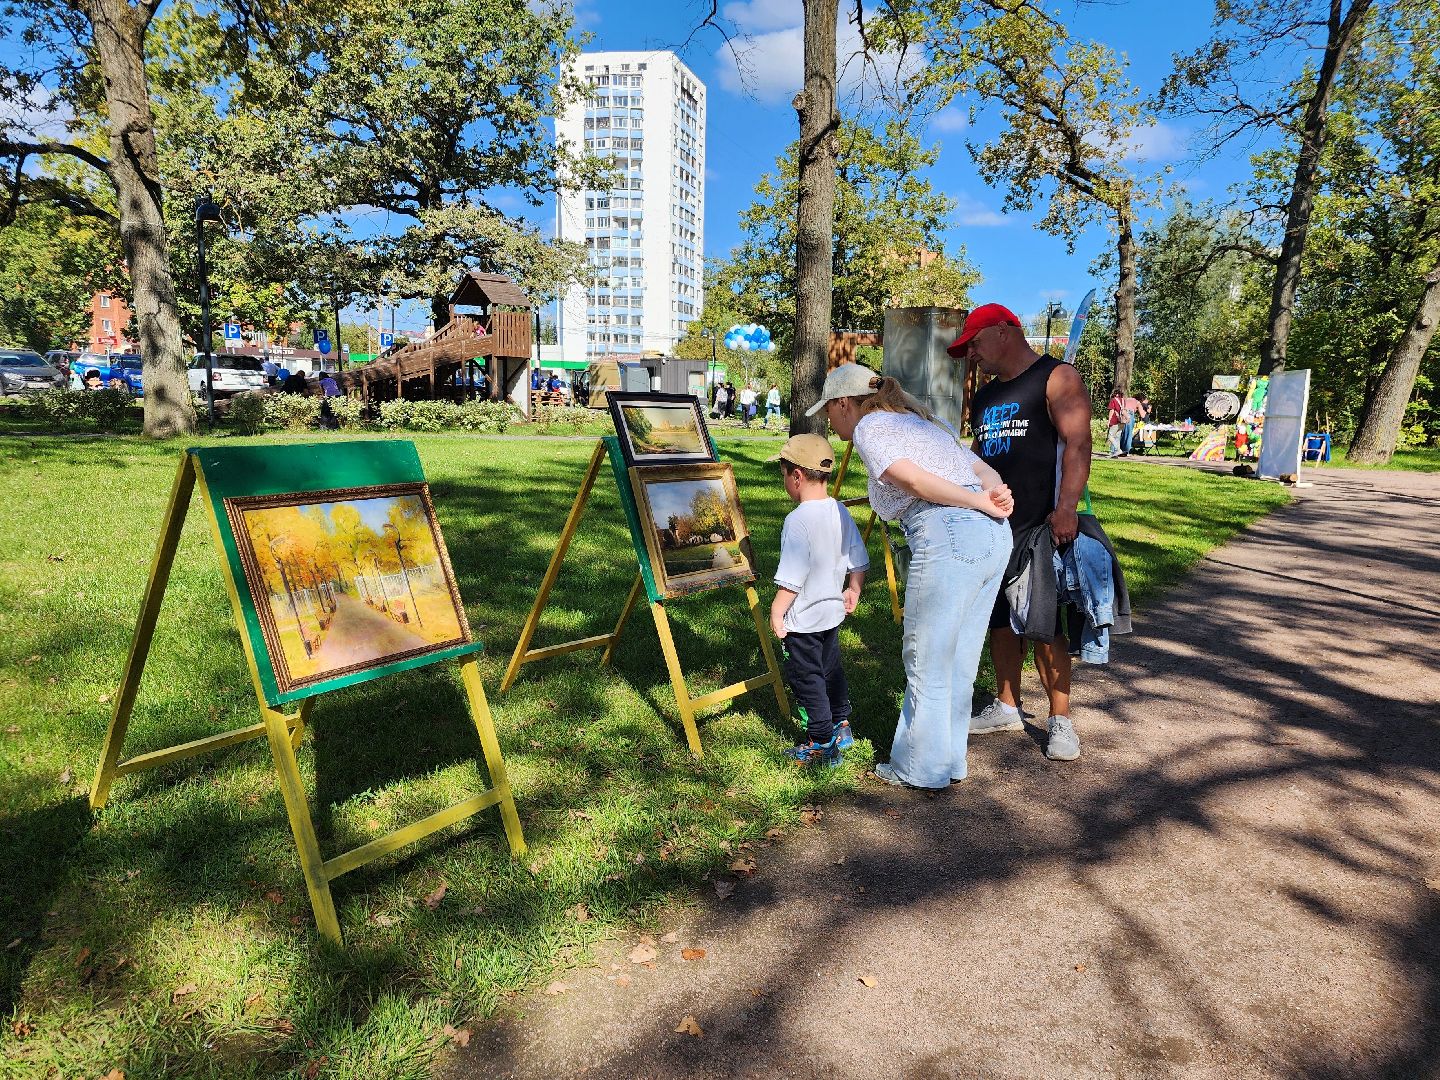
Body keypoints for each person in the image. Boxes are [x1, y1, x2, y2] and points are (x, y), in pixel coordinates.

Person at [812, 364, 1014, 788]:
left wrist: (979, 501)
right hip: (994, 538)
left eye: (828, 411)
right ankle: (948, 762)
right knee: (958, 660)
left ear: (844, 403)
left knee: (926, 656)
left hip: (948, 531)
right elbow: (980, 468)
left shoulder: (870, 427)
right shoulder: (923, 421)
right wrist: (994, 494)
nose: (829, 422)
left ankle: (919, 768)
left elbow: (914, 481)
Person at [950, 302, 1094, 762]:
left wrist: (1066, 509)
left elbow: (1078, 442)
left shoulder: (1057, 378)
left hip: (1042, 524)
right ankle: (1007, 704)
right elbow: (977, 456)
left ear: (1004, 331)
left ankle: (1060, 719)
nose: (971, 353)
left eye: (974, 342)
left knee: (1044, 623)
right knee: (998, 619)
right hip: (992, 526)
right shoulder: (988, 396)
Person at [769, 434, 869, 766]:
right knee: (831, 670)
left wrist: (776, 612)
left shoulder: (797, 521)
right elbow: (859, 558)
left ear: (796, 475)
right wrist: (853, 589)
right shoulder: (839, 510)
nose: (784, 479)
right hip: (831, 614)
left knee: (807, 677)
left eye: (783, 473)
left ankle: (821, 742)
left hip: (804, 620)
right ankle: (842, 725)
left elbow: (792, 577)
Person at [1106, 387, 1126, 457]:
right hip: (1122, 421)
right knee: (1117, 437)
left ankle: (1118, 450)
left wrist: (1109, 421)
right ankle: (1115, 454)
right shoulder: (1123, 401)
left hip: (1115, 420)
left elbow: (1112, 410)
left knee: (1110, 436)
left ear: (1115, 393)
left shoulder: (1113, 400)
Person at [1121, 389, 1142, 454]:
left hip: (1122, 413)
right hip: (1129, 414)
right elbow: (1142, 414)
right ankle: (1126, 450)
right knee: (1129, 434)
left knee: (1122, 433)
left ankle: (1120, 449)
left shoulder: (1126, 399)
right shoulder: (1137, 402)